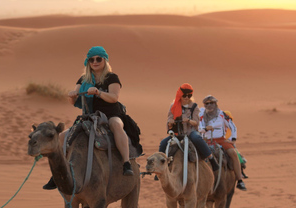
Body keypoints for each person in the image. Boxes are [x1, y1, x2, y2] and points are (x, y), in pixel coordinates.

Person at [43, 46, 137, 190]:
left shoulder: (111, 78)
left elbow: (114, 97)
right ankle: (58, 174)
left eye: (98, 59)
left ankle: (126, 163)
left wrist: (98, 93)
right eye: (91, 59)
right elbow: (74, 100)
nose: (95, 62)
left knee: (116, 125)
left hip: (112, 114)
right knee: (61, 137)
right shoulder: (83, 79)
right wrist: (72, 95)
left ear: (104, 60)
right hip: (89, 117)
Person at [157, 84, 220, 180]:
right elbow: (169, 119)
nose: (186, 98)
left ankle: (212, 159)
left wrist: (188, 121)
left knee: (197, 138)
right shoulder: (173, 106)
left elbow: (196, 122)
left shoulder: (194, 107)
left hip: (190, 132)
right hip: (177, 134)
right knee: (163, 143)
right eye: (184, 95)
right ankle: (159, 168)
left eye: (189, 96)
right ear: (180, 95)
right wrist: (170, 123)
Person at [199, 95, 247, 191]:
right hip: (206, 141)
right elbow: (199, 128)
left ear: (215, 103)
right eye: (207, 103)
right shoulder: (201, 115)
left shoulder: (222, 114)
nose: (209, 105)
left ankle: (239, 180)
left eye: (211, 103)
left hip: (220, 140)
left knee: (233, 153)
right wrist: (205, 129)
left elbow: (232, 126)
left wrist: (233, 139)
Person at [223, 110, 248, 179]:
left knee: (236, 155)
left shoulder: (230, 127)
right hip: (218, 141)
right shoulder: (218, 125)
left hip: (228, 143)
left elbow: (232, 136)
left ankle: (240, 172)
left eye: (229, 118)